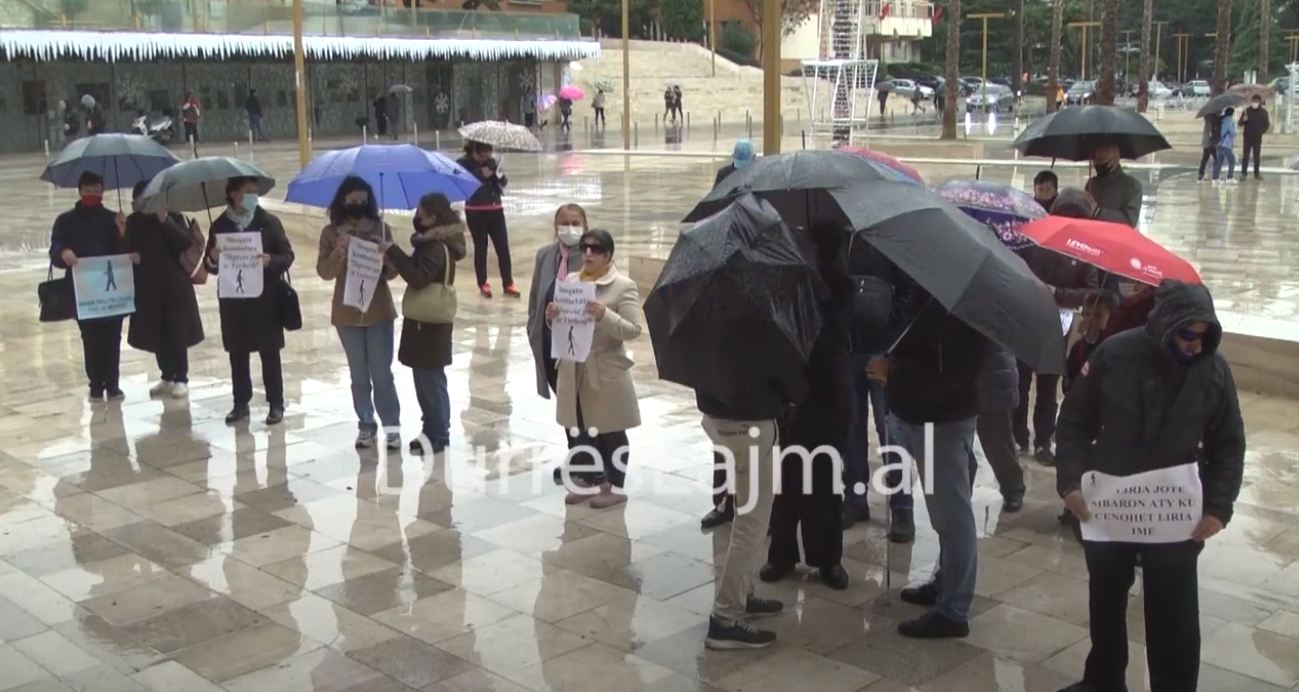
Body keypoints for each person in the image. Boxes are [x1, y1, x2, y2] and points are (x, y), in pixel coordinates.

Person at [1055, 280, 1245, 692]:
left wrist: (1217, 507)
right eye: (1187, 335)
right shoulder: (1115, 354)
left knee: (1174, 612)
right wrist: (1071, 482)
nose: (1195, 345)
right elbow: (1073, 422)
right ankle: (1103, 680)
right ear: (1165, 325)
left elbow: (1229, 443)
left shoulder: (1214, 370)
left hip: (1175, 513)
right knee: (1105, 599)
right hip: (1111, 504)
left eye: (1203, 337)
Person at [871, 285, 989, 639]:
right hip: (927, 417)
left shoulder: (966, 312)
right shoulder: (938, 298)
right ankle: (944, 580)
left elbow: (947, 376)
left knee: (953, 517)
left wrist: (891, 373)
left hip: (944, 423)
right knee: (945, 515)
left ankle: (953, 610)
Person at [761, 222, 855, 590]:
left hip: (829, 390)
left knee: (826, 476)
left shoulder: (841, 287)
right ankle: (781, 554)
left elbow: (831, 337)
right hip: (792, 391)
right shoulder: (786, 283)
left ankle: (828, 558)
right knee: (789, 478)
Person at [545, 229, 643, 508]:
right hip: (573, 367)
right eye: (585, 247)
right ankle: (587, 481)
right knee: (580, 427)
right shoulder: (571, 281)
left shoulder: (623, 286)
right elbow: (562, 323)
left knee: (610, 428)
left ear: (608, 255)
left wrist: (604, 315)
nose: (588, 253)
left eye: (595, 249)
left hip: (605, 367)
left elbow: (633, 329)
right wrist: (551, 316)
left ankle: (615, 485)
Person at [1015, 188, 1100, 466]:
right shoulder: (1033, 239)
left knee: (1048, 385)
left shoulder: (1086, 250)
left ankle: (1043, 440)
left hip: (1058, 325)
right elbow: (1016, 269)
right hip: (1026, 318)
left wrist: (1057, 293)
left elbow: (1089, 292)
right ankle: (1018, 434)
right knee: (1020, 380)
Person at [316, 176, 402, 450]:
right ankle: (366, 424)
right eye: (352, 201)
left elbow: (392, 273)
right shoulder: (331, 233)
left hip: (378, 311)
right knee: (359, 376)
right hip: (347, 314)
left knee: (382, 374)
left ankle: (392, 427)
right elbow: (324, 273)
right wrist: (340, 251)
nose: (357, 205)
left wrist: (386, 256)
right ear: (342, 201)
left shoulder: (381, 227)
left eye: (362, 201)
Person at [844, 234, 920, 541]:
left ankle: (902, 506)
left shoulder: (892, 236)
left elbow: (911, 291)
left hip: (884, 349)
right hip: (847, 347)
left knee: (890, 428)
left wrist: (889, 325)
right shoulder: (839, 236)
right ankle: (854, 497)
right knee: (850, 427)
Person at [204, 176, 294, 426]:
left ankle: (276, 403)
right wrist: (212, 257)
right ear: (233, 194)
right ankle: (240, 403)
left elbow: (287, 255)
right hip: (234, 301)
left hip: (266, 299)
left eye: (256, 192)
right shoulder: (219, 225)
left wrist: (270, 260)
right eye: (247, 192)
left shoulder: (269, 222)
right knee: (237, 353)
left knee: (269, 353)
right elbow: (209, 266)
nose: (253, 197)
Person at [385, 193, 466, 456]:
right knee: (425, 380)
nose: (417, 217)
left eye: (421, 212)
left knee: (431, 382)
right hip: (424, 322)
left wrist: (393, 251)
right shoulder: (431, 243)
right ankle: (430, 430)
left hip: (429, 324)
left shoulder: (434, 246)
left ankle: (439, 434)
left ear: (434, 217)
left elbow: (418, 277)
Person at [49, 171, 130, 401]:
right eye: (88, 190)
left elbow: (125, 250)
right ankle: (95, 383)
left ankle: (113, 383)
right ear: (80, 191)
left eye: (97, 190)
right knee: (91, 337)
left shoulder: (113, 219)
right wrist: (63, 253)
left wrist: (124, 232)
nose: (92, 194)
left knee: (113, 336)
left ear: (103, 192)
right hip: (82, 291)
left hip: (112, 291)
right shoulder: (66, 221)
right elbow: (55, 248)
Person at [125, 179, 204, 399]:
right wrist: (124, 238)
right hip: (148, 287)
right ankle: (166, 375)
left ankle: (181, 377)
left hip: (175, 287)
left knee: (176, 332)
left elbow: (183, 243)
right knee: (156, 333)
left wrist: (165, 220)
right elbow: (127, 247)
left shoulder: (173, 216)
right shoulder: (133, 221)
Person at [529, 204, 587, 399]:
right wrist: (533, 327)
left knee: (580, 402)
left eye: (575, 223)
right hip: (549, 339)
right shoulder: (545, 255)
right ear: (556, 225)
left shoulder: (592, 256)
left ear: (584, 226)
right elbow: (535, 296)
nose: (570, 228)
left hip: (578, 340)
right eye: (564, 223)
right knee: (564, 403)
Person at [458, 142, 518, 298]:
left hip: (495, 209)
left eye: (488, 152)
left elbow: (503, 182)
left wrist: (498, 174)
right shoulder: (463, 163)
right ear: (474, 151)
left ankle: (508, 282)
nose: (486, 155)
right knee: (481, 247)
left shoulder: (492, 162)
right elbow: (461, 183)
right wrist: (480, 173)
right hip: (475, 211)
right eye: (482, 152)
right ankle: (482, 283)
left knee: (503, 247)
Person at [1086, 141, 1142, 227]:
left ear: (1116, 159)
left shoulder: (1132, 187)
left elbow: (1130, 221)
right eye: (1096, 161)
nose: (1098, 165)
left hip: (1116, 238)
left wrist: (1098, 211)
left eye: (1102, 161)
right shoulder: (1091, 184)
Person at [1239, 94, 1269, 180]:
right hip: (1247, 137)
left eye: (1256, 102)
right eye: (1253, 101)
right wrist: (1243, 120)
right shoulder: (1246, 111)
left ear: (1259, 102)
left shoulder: (1264, 112)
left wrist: (1261, 131)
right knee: (1245, 156)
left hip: (1257, 137)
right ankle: (1243, 173)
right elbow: (1240, 123)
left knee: (1256, 156)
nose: (1254, 103)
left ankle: (1257, 173)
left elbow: (1267, 125)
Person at [1213, 107, 1238, 183]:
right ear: (1232, 114)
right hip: (1226, 144)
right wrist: (1235, 128)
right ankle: (1230, 177)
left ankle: (1215, 178)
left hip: (1219, 143)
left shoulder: (1222, 120)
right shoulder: (1229, 121)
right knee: (1232, 160)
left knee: (1219, 161)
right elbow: (1233, 133)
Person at [1197, 111, 1221, 182]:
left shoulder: (1208, 117)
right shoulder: (1211, 118)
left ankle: (1200, 175)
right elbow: (1210, 130)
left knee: (1205, 159)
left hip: (1207, 142)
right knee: (1216, 159)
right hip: (1210, 142)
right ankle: (1215, 176)